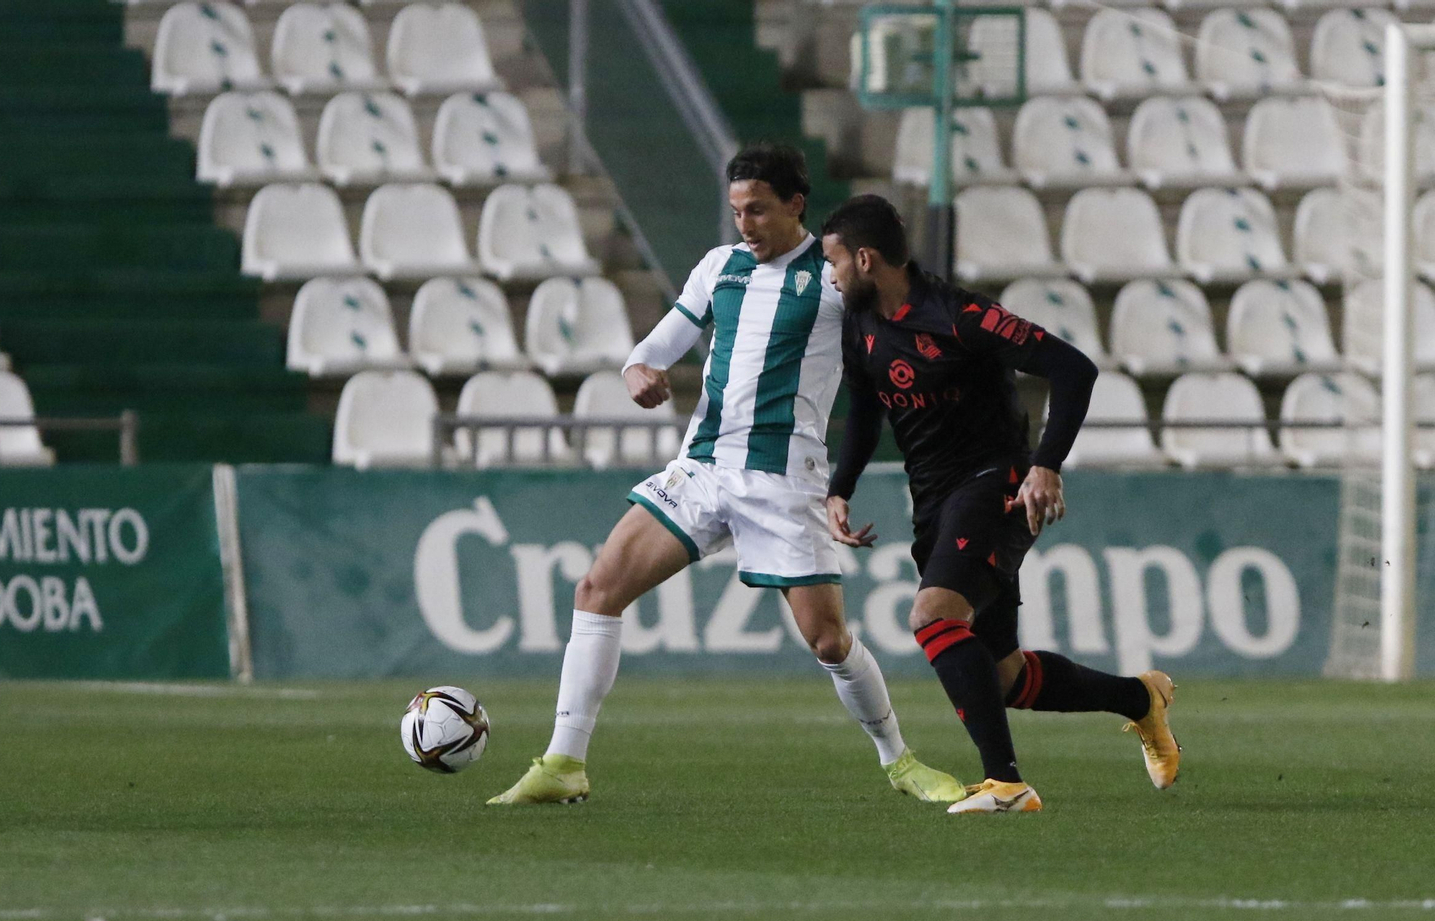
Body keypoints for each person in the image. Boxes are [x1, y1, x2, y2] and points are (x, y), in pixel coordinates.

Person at [488, 147, 963, 806]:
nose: (745, 222)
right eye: (737, 209)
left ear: (796, 205)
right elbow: (654, 348)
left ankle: (900, 760)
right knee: (597, 589)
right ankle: (565, 761)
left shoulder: (833, 283)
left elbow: (897, 357)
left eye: (759, 209)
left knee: (827, 639)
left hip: (784, 480)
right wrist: (638, 375)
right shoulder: (719, 267)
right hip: (703, 469)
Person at [818, 194, 1181, 815]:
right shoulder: (860, 324)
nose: (829, 275)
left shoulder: (961, 316)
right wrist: (840, 487)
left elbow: (1074, 369)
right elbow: (864, 410)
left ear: (865, 258)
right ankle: (1140, 699)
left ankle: (1006, 785)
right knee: (1004, 674)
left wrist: (1046, 464)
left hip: (998, 483)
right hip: (934, 499)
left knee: (933, 617)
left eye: (832, 262)